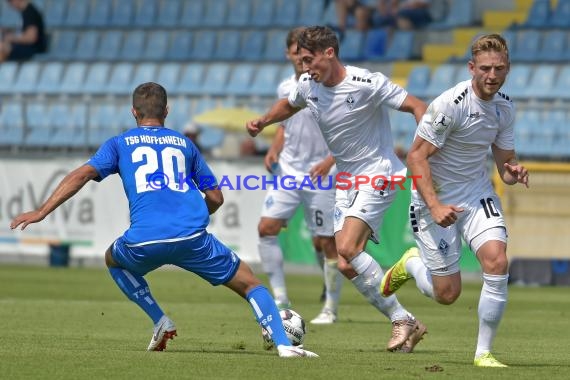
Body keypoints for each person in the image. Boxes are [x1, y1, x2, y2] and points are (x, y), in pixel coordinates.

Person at [10, 82, 318, 358]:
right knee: (251, 284)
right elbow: (216, 197)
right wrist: (195, 217)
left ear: (134, 112)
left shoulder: (119, 143)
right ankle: (283, 345)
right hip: (193, 240)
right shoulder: (185, 144)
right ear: (167, 110)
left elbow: (82, 174)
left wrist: (41, 212)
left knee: (112, 259)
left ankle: (159, 319)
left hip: (144, 240)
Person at [246, 26, 428, 352]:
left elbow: (417, 106)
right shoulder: (308, 85)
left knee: (345, 248)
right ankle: (405, 319)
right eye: (300, 61)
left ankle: (402, 313)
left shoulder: (367, 83)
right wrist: (263, 122)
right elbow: (289, 105)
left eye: (309, 59)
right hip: (346, 181)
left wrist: (424, 152)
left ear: (329, 52)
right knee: (346, 264)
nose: (304, 67)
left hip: (378, 173)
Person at [380, 34, 529, 367]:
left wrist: (512, 170)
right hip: (435, 200)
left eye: (499, 69)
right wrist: (434, 206)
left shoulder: (505, 106)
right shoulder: (450, 104)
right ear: (471, 67)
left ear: (508, 69)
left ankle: (483, 353)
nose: (492, 75)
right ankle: (411, 264)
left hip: (477, 194)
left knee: (497, 261)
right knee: (447, 295)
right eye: (486, 68)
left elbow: (504, 162)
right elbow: (417, 157)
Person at [257, 27, 343, 325]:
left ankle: (330, 307)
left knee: (326, 243)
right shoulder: (286, 88)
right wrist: (274, 148)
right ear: (288, 54)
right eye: (295, 52)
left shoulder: (329, 87)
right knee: (266, 227)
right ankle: (280, 298)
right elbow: (286, 124)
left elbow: (347, 132)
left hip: (323, 172)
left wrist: (330, 160)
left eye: (304, 54)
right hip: (290, 169)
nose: (299, 59)